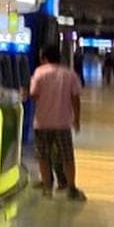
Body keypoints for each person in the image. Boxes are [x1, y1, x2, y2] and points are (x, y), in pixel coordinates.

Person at [29, 43, 86, 201]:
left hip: (42, 122)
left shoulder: (39, 73)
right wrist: (77, 119)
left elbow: (33, 95)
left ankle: (47, 188)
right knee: (67, 156)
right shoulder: (70, 74)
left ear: (44, 58)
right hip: (62, 123)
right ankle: (71, 188)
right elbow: (75, 98)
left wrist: (25, 93)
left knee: (43, 156)